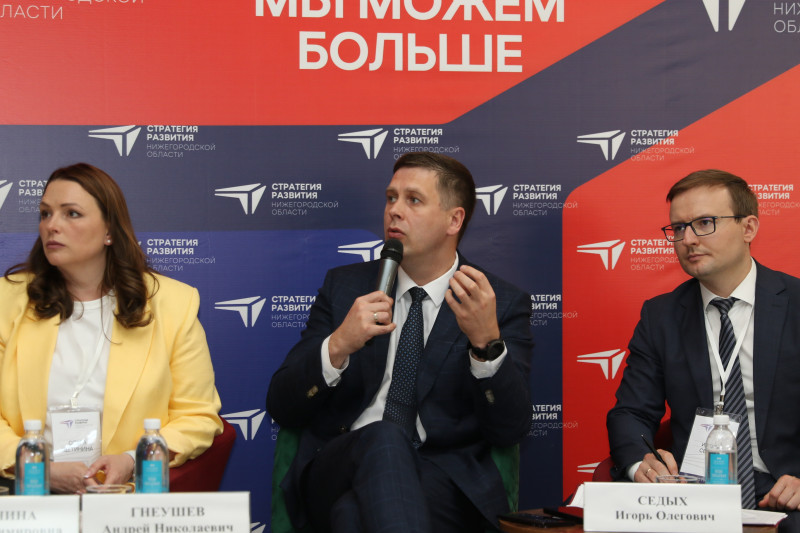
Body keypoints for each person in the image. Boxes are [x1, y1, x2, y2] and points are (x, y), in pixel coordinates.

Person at [267, 152, 533, 533]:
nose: (394, 210)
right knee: (384, 437)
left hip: (442, 478)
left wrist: (486, 345)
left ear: (454, 220)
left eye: (413, 200)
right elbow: (283, 405)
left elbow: (509, 429)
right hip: (339, 466)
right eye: (391, 198)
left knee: (352, 516)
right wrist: (338, 345)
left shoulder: (495, 302)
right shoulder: (345, 287)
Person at [0, 163, 223, 494]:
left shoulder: (173, 304)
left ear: (109, 231)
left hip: (124, 498)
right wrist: (38, 468)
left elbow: (199, 416)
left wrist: (134, 459)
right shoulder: (7, 300)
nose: (51, 226)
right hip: (29, 495)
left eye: (71, 214)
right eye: (45, 213)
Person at [607, 169, 800, 529]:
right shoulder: (661, 316)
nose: (688, 239)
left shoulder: (795, 303)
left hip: (784, 492)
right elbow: (630, 412)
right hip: (692, 495)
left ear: (748, 228)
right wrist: (639, 465)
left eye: (704, 223)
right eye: (679, 228)